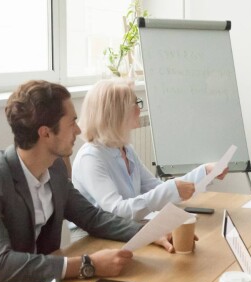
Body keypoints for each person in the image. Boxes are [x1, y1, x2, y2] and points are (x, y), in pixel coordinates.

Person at [0, 80, 176, 282]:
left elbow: (91, 217)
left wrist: (148, 232)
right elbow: (0, 265)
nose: (79, 130)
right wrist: (87, 264)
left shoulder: (56, 169)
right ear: (45, 133)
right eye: (72, 122)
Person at [72, 79, 228, 221]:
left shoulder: (125, 149)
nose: (139, 111)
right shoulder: (91, 158)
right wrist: (171, 190)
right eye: (135, 104)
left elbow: (156, 188)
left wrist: (204, 172)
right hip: (95, 241)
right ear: (116, 114)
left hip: (126, 229)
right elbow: (117, 211)